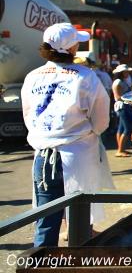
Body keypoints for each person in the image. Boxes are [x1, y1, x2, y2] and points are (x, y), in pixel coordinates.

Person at [21, 23, 114, 246]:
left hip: (44, 156)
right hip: (78, 156)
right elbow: (101, 119)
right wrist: (89, 130)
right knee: (80, 223)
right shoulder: (85, 77)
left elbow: (28, 116)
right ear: (70, 49)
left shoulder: (32, 76)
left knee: (45, 221)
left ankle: (41, 267)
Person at [112, 64, 132, 157]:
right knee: (126, 129)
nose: (127, 73)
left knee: (121, 128)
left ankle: (121, 149)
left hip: (122, 105)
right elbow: (118, 97)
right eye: (125, 72)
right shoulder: (118, 82)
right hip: (122, 106)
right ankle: (120, 150)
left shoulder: (120, 81)